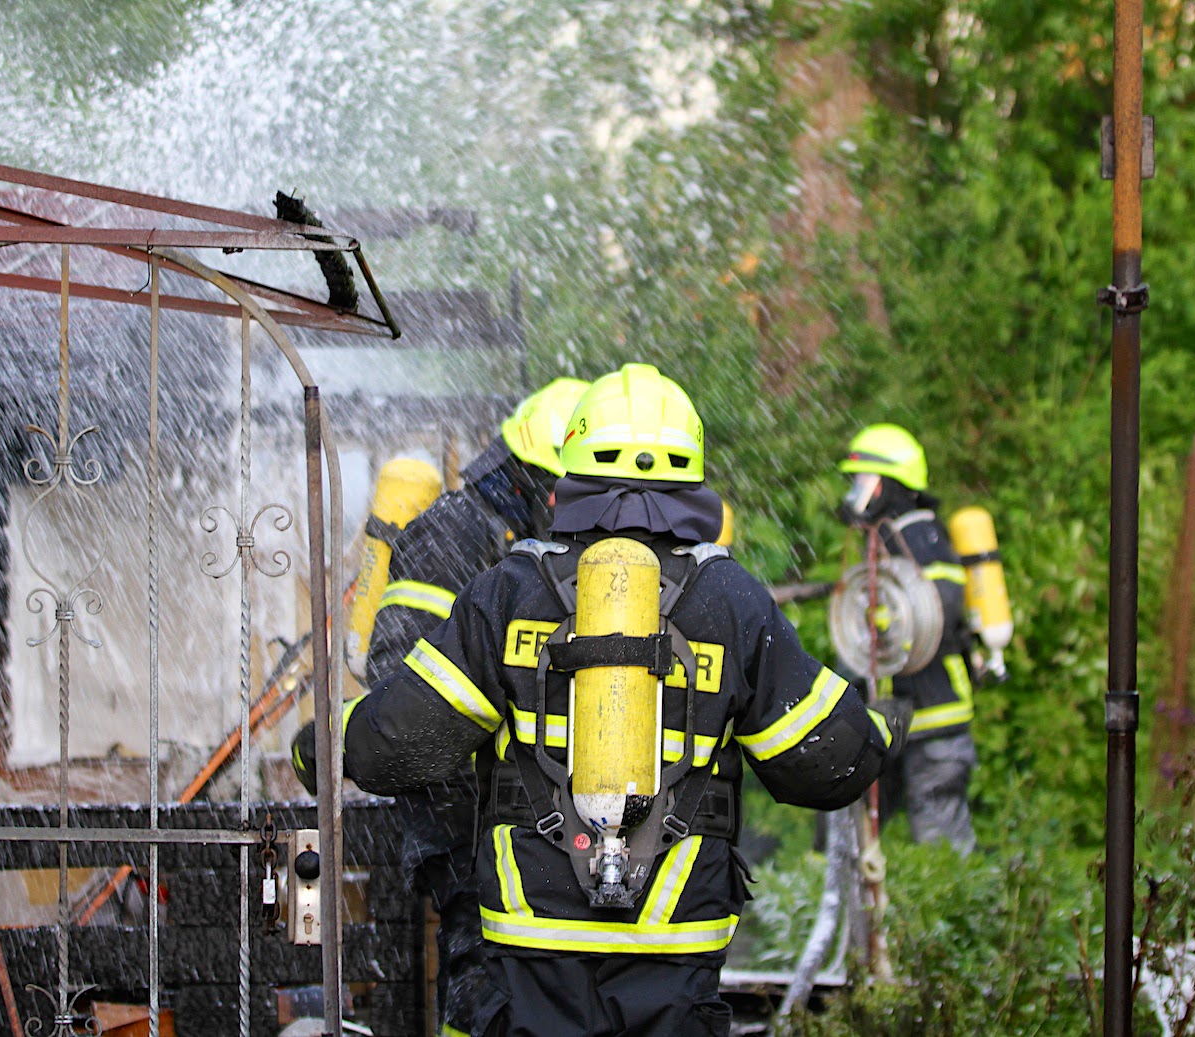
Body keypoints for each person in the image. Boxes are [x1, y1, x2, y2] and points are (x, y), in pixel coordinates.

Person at [334, 363, 910, 1036]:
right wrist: (883, 728)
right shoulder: (730, 599)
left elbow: (392, 748)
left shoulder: (509, 590)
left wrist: (328, 739)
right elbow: (824, 762)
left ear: (569, 472)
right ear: (693, 474)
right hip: (676, 954)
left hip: (532, 951)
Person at [294, 376, 589, 1037]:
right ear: (535, 477)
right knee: (483, 986)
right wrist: (481, 817)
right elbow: (404, 682)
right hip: (472, 828)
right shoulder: (454, 536)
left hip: (526, 830)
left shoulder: (529, 547)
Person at [837, 423, 977, 855]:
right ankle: (861, 914)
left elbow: (942, 606)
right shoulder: (886, 536)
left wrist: (880, 623)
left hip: (935, 718)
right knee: (855, 819)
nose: (857, 493)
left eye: (864, 481)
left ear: (890, 483)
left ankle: (960, 915)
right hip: (896, 717)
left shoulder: (921, 534)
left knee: (940, 835)